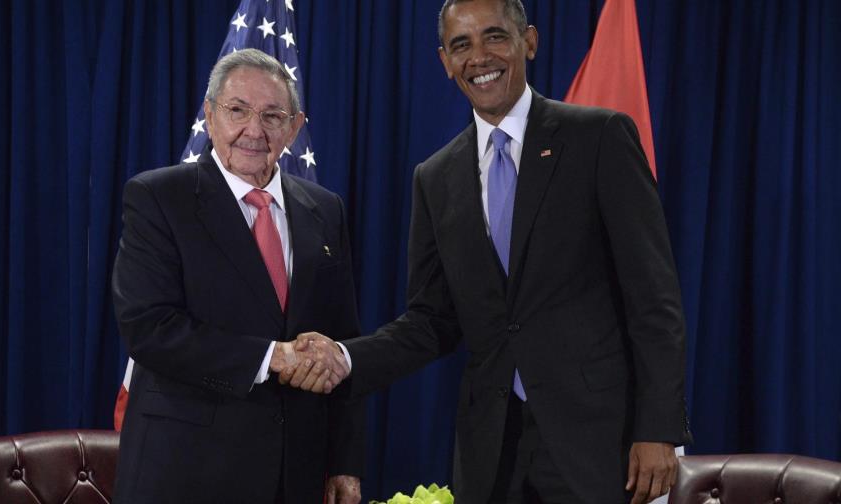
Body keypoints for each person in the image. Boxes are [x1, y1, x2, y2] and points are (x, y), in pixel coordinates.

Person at [284, 1, 692, 503]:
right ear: (445, 61)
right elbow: (431, 321)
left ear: (529, 41)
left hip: (598, 443)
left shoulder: (598, 137)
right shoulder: (435, 178)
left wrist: (658, 428)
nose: (479, 57)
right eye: (461, 45)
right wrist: (346, 358)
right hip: (492, 453)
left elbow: (653, 297)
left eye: (494, 36)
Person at [111, 48, 363, 504]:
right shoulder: (159, 198)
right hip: (185, 472)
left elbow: (341, 340)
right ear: (210, 116)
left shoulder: (326, 210)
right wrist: (273, 357)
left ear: (294, 127)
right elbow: (149, 329)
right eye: (237, 110)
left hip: (295, 474)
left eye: (272, 116)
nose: (254, 130)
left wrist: (344, 460)